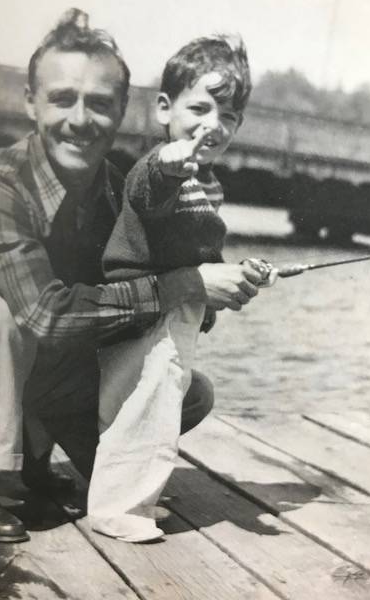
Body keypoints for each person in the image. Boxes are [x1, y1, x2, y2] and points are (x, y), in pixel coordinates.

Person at [0, 9, 263, 544]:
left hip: (48, 355)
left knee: (187, 391)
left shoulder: (120, 189)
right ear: (31, 103)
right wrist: (187, 284)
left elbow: (151, 294)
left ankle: (39, 449)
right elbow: (44, 315)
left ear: (122, 111)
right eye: (61, 99)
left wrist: (214, 290)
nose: (80, 119)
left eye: (99, 103)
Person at [87, 34, 265, 542]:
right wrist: (168, 163)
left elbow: (202, 252)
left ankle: (138, 494)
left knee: (163, 401)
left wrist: (236, 275)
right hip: (142, 311)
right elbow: (146, 191)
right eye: (200, 108)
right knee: (141, 400)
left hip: (177, 307)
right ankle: (113, 506)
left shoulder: (209, 183)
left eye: (228, 116)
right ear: (165, 109)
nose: (213, 124)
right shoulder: (160, 165)